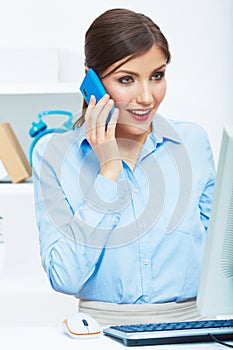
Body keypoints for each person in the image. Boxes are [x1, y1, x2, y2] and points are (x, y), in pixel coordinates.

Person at [32, 8, 216, 326]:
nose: (146, 97)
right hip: (100, 331)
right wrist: (108, 171)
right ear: (93, 81)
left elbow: (221, 259)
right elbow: (64, 277)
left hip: (193, 326)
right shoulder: (54, 154)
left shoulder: (193, 143)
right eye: (127, 79)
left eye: (156, 76)